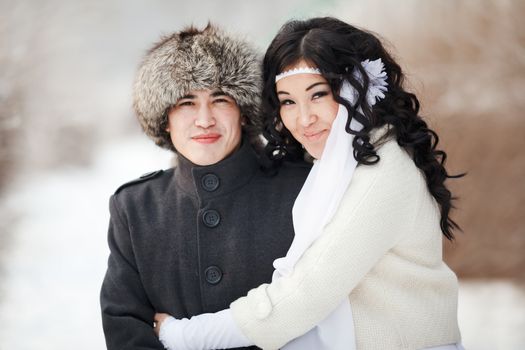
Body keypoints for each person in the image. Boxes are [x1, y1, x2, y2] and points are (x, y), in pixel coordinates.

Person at [154, 17, 464, 350]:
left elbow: (302, 299)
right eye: (288, 101)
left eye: (318, 95)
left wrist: (180, 335)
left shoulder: (382, 174)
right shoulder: (338, 163)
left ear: (358, 88)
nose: (303, 119)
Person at [99, 24, 311, 350]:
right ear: (164, 119)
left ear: (243, 112)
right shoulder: (135, 208)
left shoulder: (301, 187)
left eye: (220, 99)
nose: (204, 119)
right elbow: (125, 326)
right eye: (186, 102)